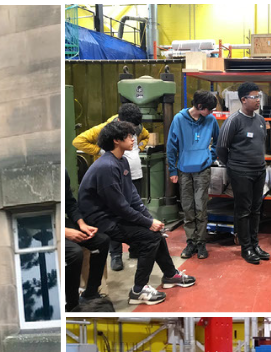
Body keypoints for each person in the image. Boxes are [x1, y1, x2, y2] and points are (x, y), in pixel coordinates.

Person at [77, 120, 195, 306]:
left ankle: (170, 274)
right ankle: (138, 290)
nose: (134, 139)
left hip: (113, 215)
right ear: (116, 140)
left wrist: (149, 219)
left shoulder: (121, 161)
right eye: (129, 136)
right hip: (101, 220)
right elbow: (119, 206)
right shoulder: (107, 167)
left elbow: (131, 196)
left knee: (154, 232)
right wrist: (147, 223)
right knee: (150, 237)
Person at [74, 103, 152, 271]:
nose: (134, 134)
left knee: (135, 210)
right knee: (117, 215)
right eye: (130, 130)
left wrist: (140, 148)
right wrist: (100, 151)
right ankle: (116, 254)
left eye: (135, 130)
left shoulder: (138, 129)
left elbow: (145, 137)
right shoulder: (106, 129)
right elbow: (78, 141)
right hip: (112, 177)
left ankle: (135, 248)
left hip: (133, 174)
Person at [218, 81, 270, 265]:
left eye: (259, 97)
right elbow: (221, 148)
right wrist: (233, 166)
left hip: (259, 171)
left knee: (256, 210)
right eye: (254, 97)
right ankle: (245, 247)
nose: (258, 100)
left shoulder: (261, 120)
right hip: (240, 172)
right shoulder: (233, 120)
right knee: (243, 211)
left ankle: (255, 244)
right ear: (243, 99)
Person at [167, 90, 220, 260]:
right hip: (183, 170)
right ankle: (191, 242)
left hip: (202, 169)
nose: (211, 113)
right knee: (188, 207)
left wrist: (209, 158)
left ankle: (201, 242)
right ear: (199, 106)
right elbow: (171, 146)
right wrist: (172, 170)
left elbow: (218, 142)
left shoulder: (210, 120)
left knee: (201, 206)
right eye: (209, 109)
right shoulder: (179, 119)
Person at [63, 172, 110, 311]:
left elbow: (70, 203)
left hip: (61, 222)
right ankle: (72, 305)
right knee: (74, 253)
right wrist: (64, 231)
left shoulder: (63, 172)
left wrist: (81, 224)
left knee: (101, 241)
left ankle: (91, 292)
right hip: (44, 227)